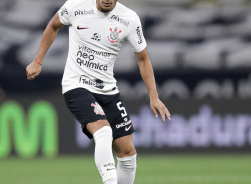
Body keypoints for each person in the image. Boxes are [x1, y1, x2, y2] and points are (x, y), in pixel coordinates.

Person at [26, 0, 171, 183]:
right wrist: (38, 61)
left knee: (127, 153)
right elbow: (53, 25)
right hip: (76, 85)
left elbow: (143, 59)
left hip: (107, 90)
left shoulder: (129, 19)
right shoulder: (75, 6)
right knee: (103, 132)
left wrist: (154, 96)